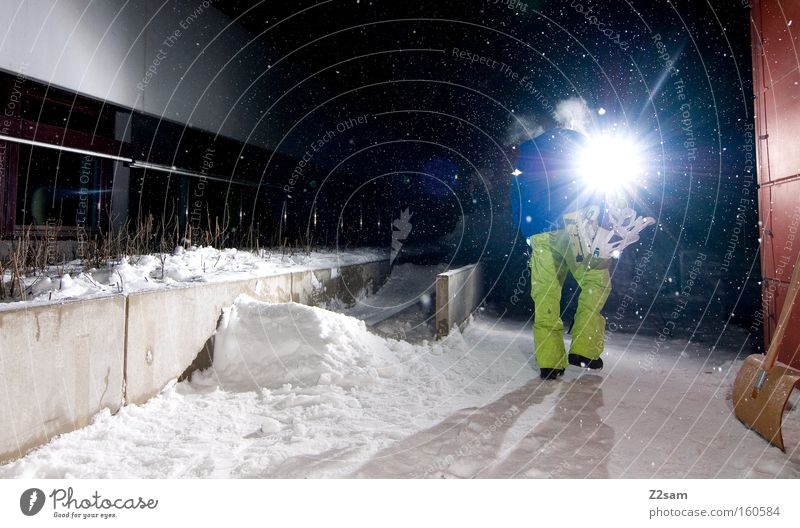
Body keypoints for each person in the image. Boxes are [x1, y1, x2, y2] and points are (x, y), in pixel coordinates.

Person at [510, 128, 612, 380]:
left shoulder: (526, 156)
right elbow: (595, 187)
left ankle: (550, 362)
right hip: (575, 224)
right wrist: (598, 216)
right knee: (595, 281)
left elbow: (516, 197)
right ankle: (584, 350)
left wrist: (528, 229)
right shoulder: (577, 144)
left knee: (546, 293)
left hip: (539, 233)